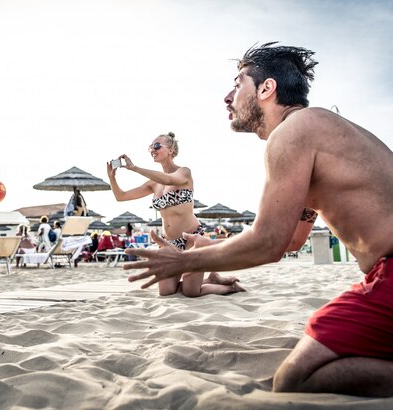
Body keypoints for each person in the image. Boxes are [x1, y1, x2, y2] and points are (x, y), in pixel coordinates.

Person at [124, 42, 393, 397]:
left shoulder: (294, 131)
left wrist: (184, 260)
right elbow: (290, 241)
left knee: (295, 380)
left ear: (267, 89)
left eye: (238, 84)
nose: (227, 96)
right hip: (384, 273)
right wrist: (212, 246)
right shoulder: (319, 130)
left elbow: (268, 242)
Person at [107, 132, 244, 297]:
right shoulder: (153, 184)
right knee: (166, 292)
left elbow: (169, 180)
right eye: (151, 147)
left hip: (191, 239)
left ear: (171, 149)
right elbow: (121, 197)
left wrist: (134, 168)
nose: (153, 149)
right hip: (168, 243)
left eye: (157, 146)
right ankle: (211, 279)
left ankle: (231, 287)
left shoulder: (184, 172)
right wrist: (111, 178)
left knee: (191, 292)